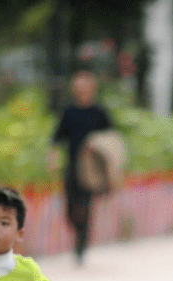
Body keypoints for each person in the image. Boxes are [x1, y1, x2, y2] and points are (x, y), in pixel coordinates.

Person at [47, 70, 113, 265]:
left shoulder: (99, 113)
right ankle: (77, 233)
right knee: (70, 208)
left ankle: (81, 246)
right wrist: (52, 157)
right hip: (72, 166)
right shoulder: (69, 111)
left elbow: (111, 141)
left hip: (92, 170)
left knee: (85, 206)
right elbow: (57, 138)